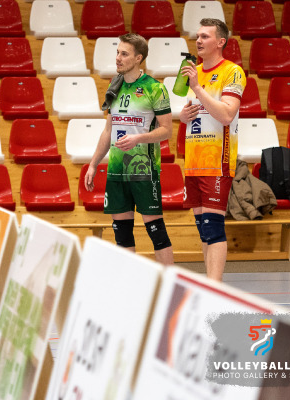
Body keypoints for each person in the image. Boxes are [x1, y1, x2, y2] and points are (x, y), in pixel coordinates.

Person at [85, 33, 174, 265]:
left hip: (144, 170)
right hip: (117, 170)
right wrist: (93, 164)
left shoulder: (155, 88)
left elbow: (167, 130)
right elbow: (108, 130)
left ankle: (170, 282)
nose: (118, 58)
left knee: (156, 231)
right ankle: (127, 282)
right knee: (122, 235)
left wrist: (138, 139)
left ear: (138, 58)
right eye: (117, 52)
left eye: (124, 54)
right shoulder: (114, 86)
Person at [179, 18, 246, 281]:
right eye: (197, 36)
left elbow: (227, 115)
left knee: (213, 228)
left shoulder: (232, 71)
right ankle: (209, 285)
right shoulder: (194, 71)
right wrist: (183, 116)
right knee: (204, 230)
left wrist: (196, 87)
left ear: (220, 42)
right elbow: (198, 112)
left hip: (217, 160)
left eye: (205, 36)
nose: (198, 41)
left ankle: (214, 289)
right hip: (194, 160)